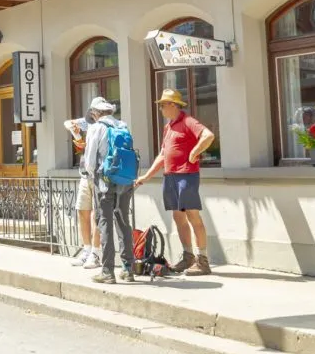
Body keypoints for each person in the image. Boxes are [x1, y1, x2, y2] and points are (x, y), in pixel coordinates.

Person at [135, 88, 215, 275]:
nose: (161, 108)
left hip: (186, 175)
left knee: (192, 216)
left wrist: (195, 152)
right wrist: (146, 176)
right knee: (178, 217)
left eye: (162, 105)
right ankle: (188, 257)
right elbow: (163, 155)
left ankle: (203, 261)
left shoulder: (188, 121)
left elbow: (208, 135)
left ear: (172, 105)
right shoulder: (168, 127)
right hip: (170, 176)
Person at [80, 97, 135, 285]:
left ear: (95, 113)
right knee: (123, 222)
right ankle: (128, 269)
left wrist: (91, 177)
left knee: (105, 223)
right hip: (125, 181)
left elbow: (89, 161)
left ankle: (107, 271)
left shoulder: (96, 128)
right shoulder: (123, 125)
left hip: (104, 181)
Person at [64, 113, 102, 269]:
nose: (93, 115)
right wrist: (76, 132)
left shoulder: (106, 127)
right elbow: (67, 122)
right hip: (85, 174)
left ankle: (95, 253)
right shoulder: (89, 122)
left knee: (96, 214)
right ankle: (86, 250)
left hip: (99, 174)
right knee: (82, 210)